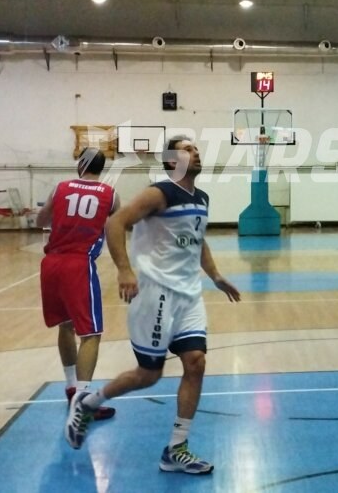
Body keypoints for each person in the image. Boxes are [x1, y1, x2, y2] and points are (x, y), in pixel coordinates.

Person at [65, 136, 241, 476]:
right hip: (155, 294)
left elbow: (198, 240)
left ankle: (176, 448)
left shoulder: (201, 198)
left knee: (196, 362)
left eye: (196, 148)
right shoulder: (159, 193)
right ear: (172, 160)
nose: (196, 152)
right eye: (187, 149)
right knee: (148, 375)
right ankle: (88, 403)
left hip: (189, 295)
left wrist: (216, 276)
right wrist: (124, 270)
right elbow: (114, 223)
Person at [35, 147, 120, 421]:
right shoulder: (110, 194)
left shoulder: (60, 188)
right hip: (79, 264)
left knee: (66, 325)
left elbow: (40, 220)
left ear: (81, 164)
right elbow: (117, 228)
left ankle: (72, 387)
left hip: (51, 263)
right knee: (91, 334)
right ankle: (83, 401)